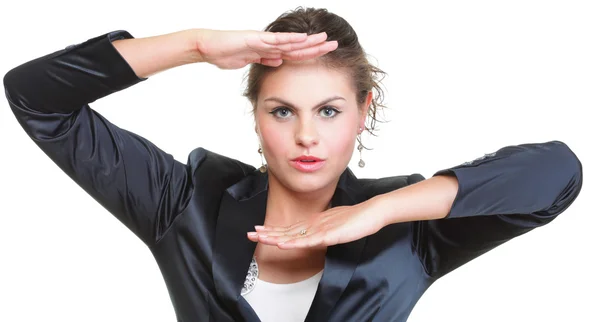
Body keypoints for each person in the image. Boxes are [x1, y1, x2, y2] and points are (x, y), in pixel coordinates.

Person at [3, 6, 582, 322]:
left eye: (328, 111)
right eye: (282, 111)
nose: (306, 136)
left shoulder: (408, 233)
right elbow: (35, 97)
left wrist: (377, 213)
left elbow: (556, 175)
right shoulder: (184, 206)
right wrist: (197, 46)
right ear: (255, 115)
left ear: (362, 111)